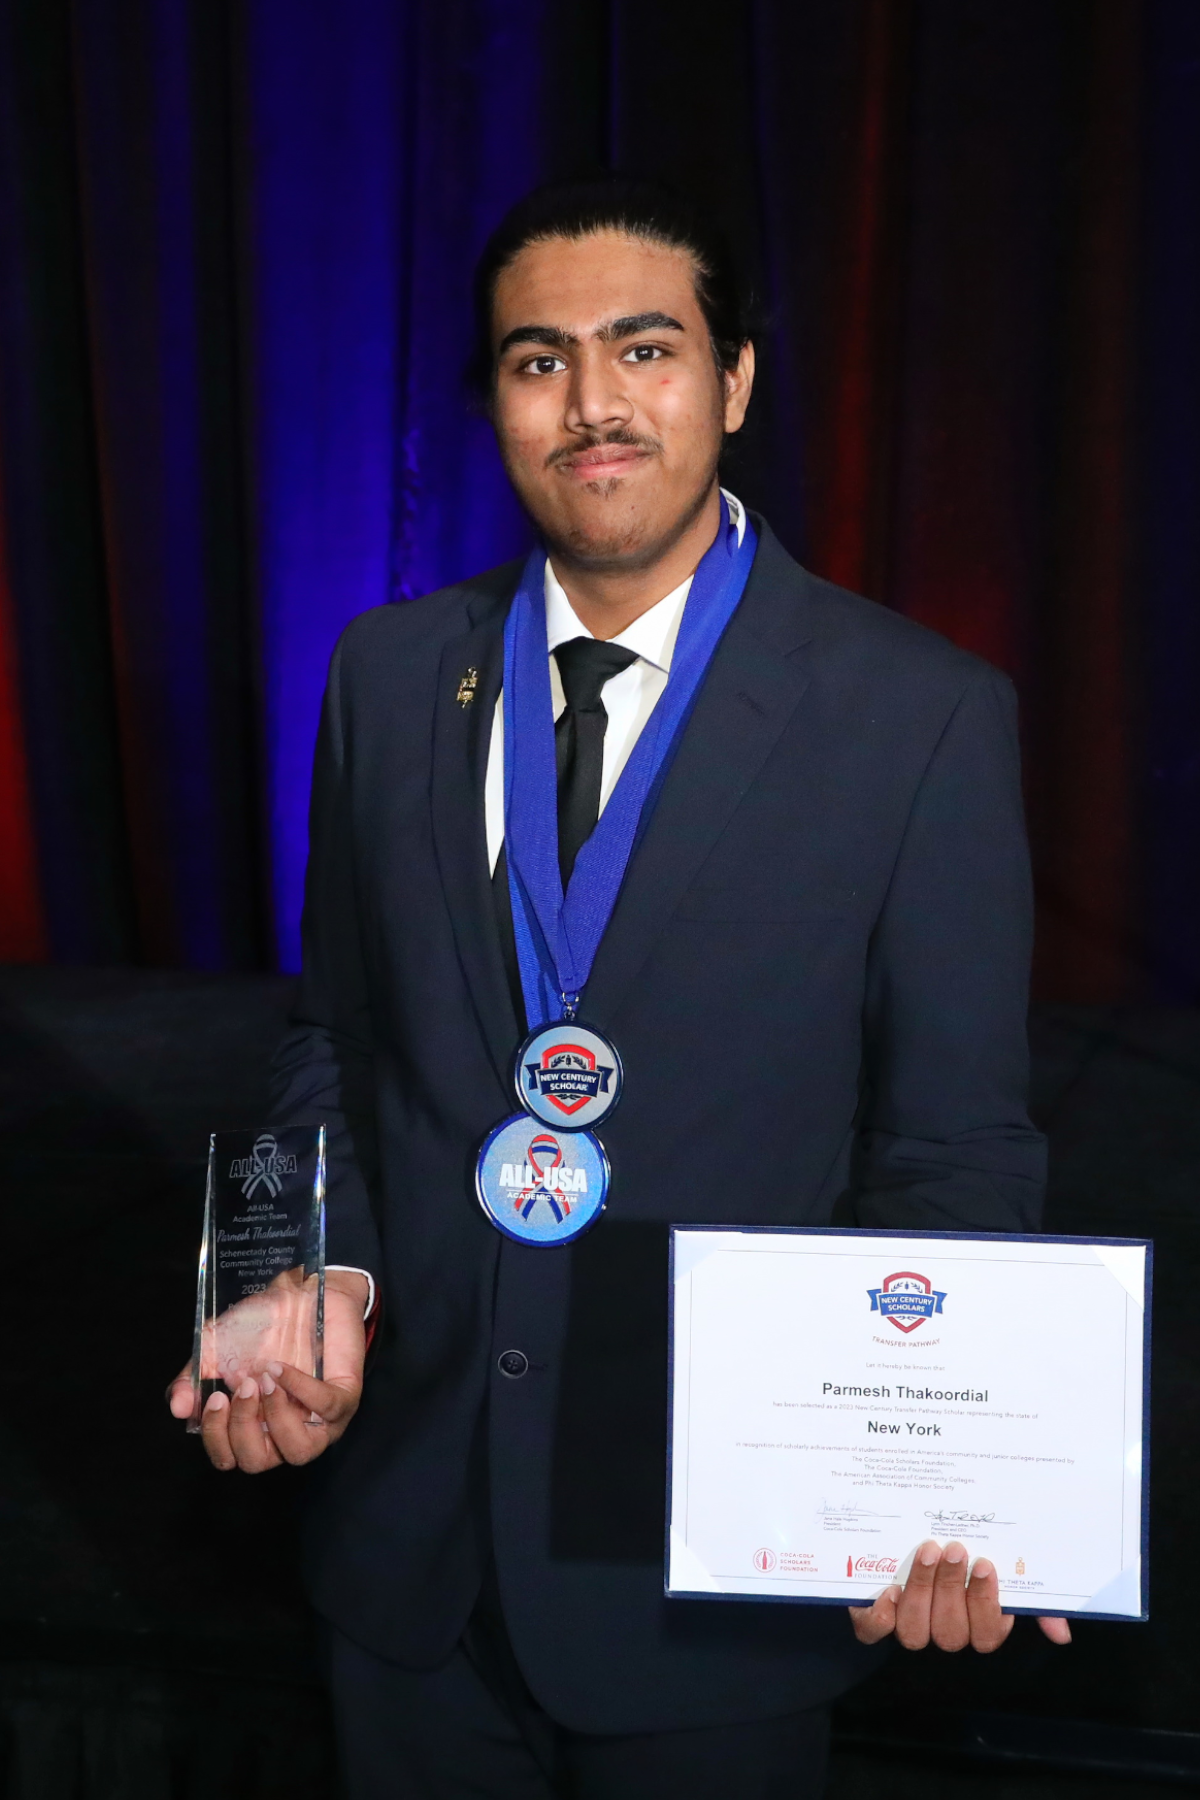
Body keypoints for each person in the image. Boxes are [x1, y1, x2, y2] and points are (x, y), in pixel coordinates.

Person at [169, 176, 1066, 1798]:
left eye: (644, 348)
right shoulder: (385, 674)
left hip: (722, 1581)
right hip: (406, 1574)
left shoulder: (919, 715)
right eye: (537, 360)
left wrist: (935, 1481)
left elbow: (953, 1152)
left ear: (730, 381)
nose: (592, 403)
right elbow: (336, 1048)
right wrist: (316, 1283)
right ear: (494, 404)